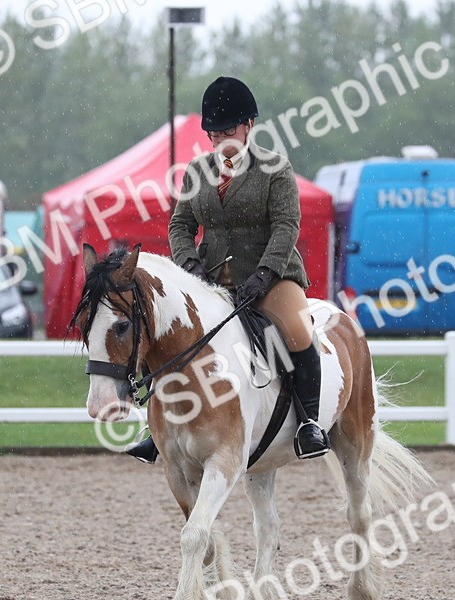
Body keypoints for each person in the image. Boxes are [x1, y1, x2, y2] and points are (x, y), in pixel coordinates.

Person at [126, 76, 330, 464]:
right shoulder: (197, 170)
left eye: (229, 131)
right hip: (210, 277)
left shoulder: (275, 169)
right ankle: (157, 429)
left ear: (249, 126)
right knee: (169, 333)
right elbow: (179, 224)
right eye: (214, 133)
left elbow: (287, 227)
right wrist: (189, 264)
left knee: (298, 332)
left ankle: (309, 423)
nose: (221, 140)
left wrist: (266, 274)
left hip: (272, 276)